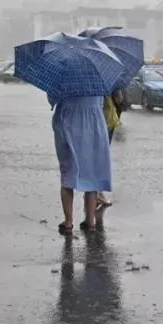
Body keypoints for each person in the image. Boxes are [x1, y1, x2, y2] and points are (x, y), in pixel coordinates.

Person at [49, 93, 113, 235]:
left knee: (68, 173)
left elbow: (53, 98)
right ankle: (90, 221)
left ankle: (68, 222)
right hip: (95, 123)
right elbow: (103, 100)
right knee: (92, 174)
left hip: (68, 122)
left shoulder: (65, 76)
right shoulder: (97, 76)